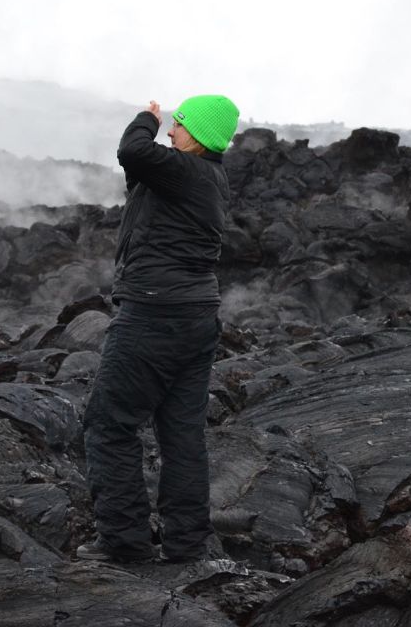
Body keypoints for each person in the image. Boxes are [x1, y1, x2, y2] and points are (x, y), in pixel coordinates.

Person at [78, 95, 239, 563]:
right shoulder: (204, 176)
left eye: (179, 124)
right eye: (169, 123)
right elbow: (140, 175)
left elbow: (132, 150)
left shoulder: (186, 171)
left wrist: (146, 118)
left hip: (154, 314)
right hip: (196, 315)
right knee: (182, 435)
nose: (171, 130)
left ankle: (124, 542)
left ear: (200, 135)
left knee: (109, 426)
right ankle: (186, 544)